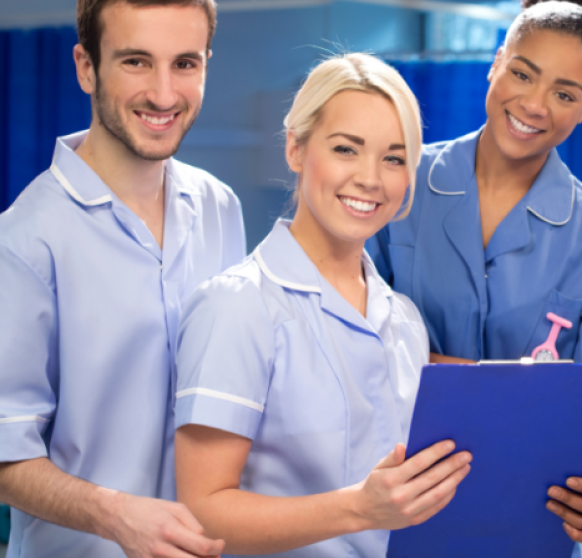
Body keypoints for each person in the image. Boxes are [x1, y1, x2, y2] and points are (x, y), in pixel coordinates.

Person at [0, 1, 245, 557]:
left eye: (185, 64)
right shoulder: (17, 246)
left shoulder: (220, 208)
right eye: (136, 62)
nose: (164, 94)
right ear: (86, 67)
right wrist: (116, 516)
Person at [366, 0, 582, 550]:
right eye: (522, 74)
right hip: (388, 488)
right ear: (496, 63)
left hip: (529, 508)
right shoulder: (401, 181)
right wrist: (504, 386)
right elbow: (338, 332)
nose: (534, 105)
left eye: (565, 94)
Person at [173, 53, 472, 558]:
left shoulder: (404, 320)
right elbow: (203, 510)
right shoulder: (238, 306)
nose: (371, 179)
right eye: (346, 149)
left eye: (394, 158)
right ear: (295, 147)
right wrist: (358, 508)